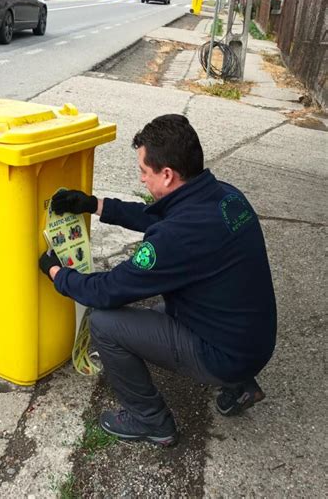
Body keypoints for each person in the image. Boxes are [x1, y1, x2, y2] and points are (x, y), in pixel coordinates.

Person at [39, 114, 277, 447]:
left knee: (106, 322)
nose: (141, 180)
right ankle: (242, 386)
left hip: (222, 354)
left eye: (144, 172)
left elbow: (107, 291)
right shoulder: (224, 196)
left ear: (167, 174)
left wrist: (57, 274)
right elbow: (161, 215)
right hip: (254, 340)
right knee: (169, 298)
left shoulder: (179, 236)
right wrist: (96, 205)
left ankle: (150, 421)